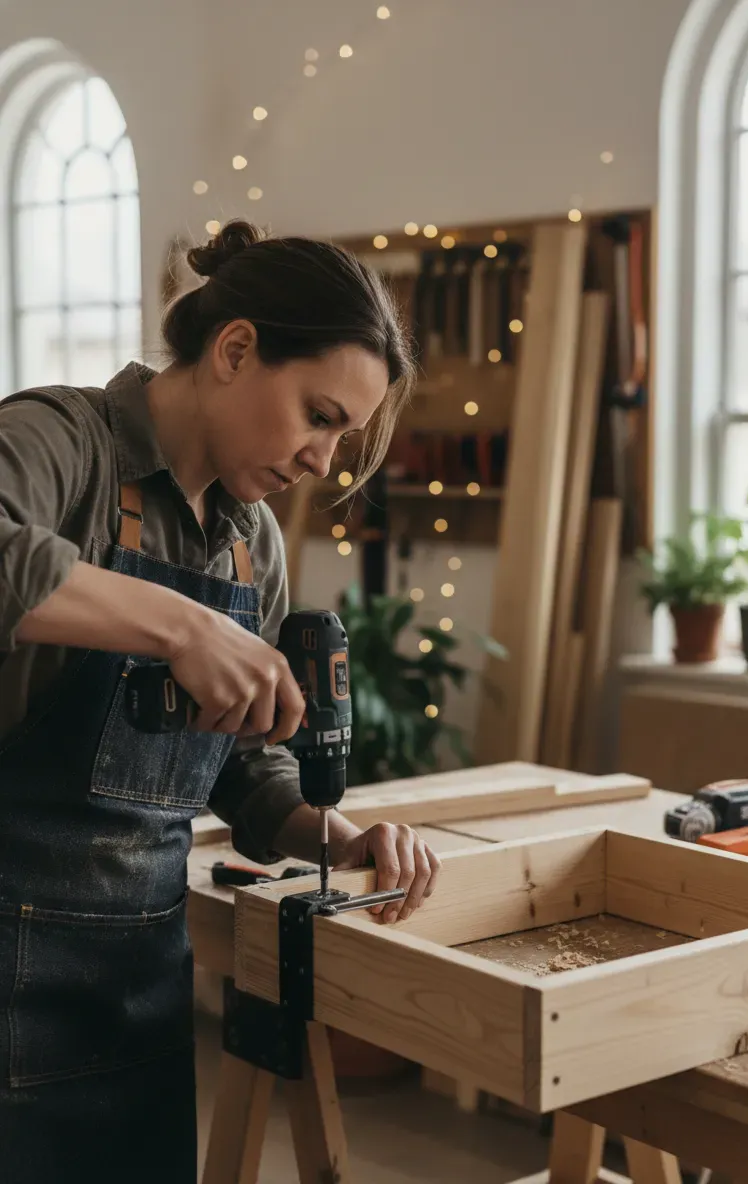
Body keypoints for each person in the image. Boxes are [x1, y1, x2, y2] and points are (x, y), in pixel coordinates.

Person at [0, 219, 440, 1183]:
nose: (325, 460)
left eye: (344, 436)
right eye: (319, 415)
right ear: (235, 349)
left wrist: (334, 836)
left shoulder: (252, 547)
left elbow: (244, 762)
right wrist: (179, 626)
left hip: (141, 999)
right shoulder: (62, 442)